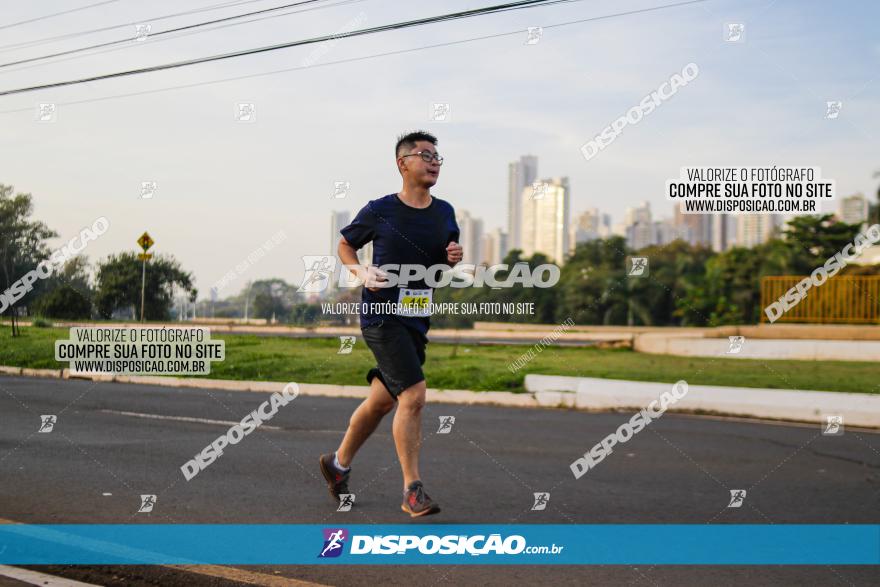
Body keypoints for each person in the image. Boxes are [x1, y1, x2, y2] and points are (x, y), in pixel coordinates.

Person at [319, 130, 462, 517]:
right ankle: (412, 490)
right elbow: (345, 244)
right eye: (425, 155)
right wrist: (360, 272)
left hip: (417, 318)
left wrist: (452, 257)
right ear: (403, 164)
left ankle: (338, 464)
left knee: (383, 401)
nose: (434, 161)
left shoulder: (445, 212)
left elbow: (444, 258)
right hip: (382, 316)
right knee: (413, 395)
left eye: (437, 156)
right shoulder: (381, 209)